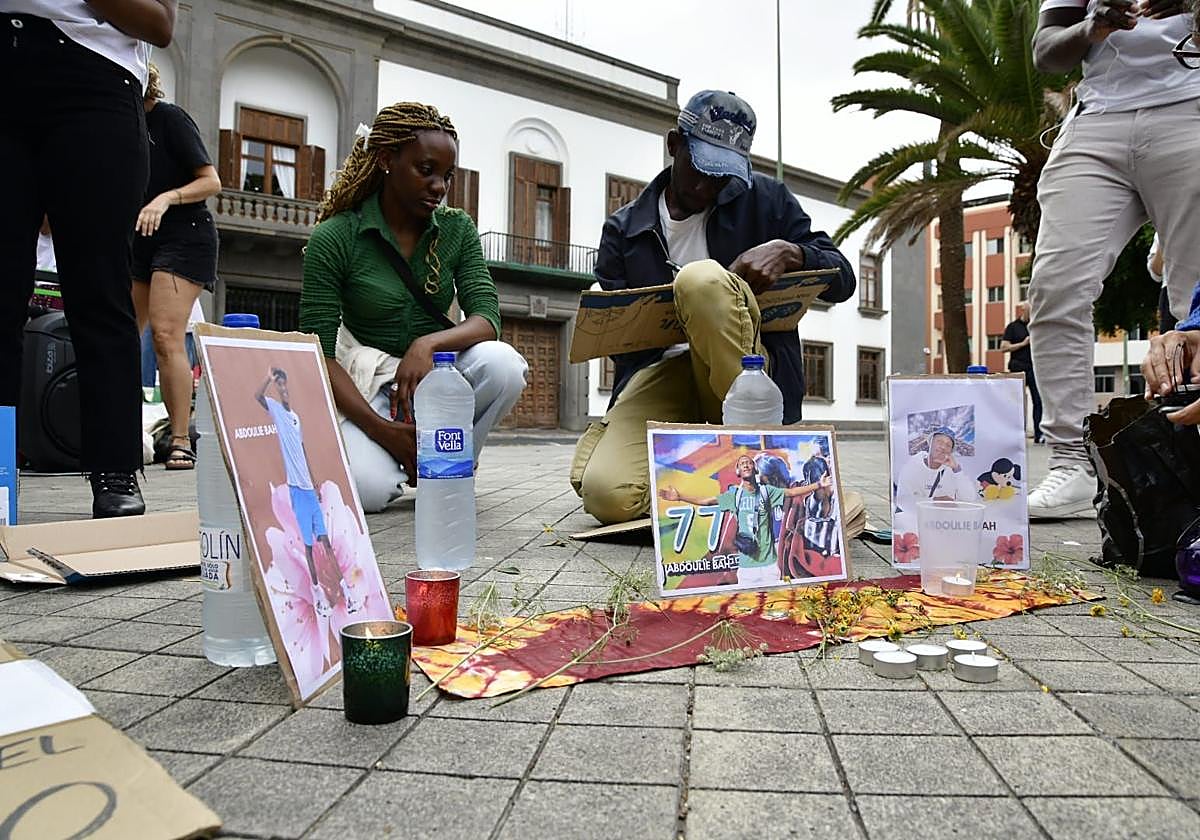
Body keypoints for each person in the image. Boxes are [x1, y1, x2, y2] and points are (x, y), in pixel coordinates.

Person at [571, 90, 856, 525]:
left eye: (722, 176)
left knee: (701, 280)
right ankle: (725, 489)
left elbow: (845, 280)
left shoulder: (767, 200)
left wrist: (792, 252)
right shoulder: (624, 230)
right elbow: (623, 349)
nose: (707, 186)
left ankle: (763, 469)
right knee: (608, 496)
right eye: (700, 169)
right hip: (663, 375)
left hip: (747, 374)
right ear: (674, 145)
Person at [300, 102, 527, 513]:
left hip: (440, 373)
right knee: (364, 493)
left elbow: (487, 318)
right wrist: (385, 431)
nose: (439, 186)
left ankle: (449, 464)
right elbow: (317, 355)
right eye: (426, 170)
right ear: (387, 160)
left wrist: (427, 345)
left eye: (447, 176)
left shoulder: (457, 229)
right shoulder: (335, 238)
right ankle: (399, 454)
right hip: (371, 386)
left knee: (503, 365)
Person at [1, 1, 176, 517]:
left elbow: (160, 23)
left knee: (99, 289)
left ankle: (114, 469)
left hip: (92, 78)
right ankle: (0, 473)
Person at [1026, 0, 1200, 518]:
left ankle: (1188, 459)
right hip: (1097, 120)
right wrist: (1092, 25)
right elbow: (1046, 53)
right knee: (1055, 287)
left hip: (1190, 107)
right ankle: (1071, 463)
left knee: (1194, 298)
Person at [131, 63, 221, 469]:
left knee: (167, 336)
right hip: (138, 236)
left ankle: (181, 438)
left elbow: (211, 182)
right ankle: (117, 429)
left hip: (185, 235)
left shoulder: (169, 118)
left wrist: (165, 198)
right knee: (119, 337)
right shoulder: (117, 123)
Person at [256, 367, 360, 617]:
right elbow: (258, 397)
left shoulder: (294, 417)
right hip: (295, 491)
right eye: (278, 385)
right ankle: (317, 594)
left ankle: (347, 590)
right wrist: (267, 379)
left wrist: (314, 483)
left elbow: (302, 450)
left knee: (325, 542)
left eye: (284, 385)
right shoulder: (277, 411)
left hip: (308, 490)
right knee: (309, 546)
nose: (282, 389)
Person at [658, 452, 832, 588]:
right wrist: (680, 496)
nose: (762, 483)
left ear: (778, 479)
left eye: (768, 480)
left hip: (775, 566)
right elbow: (708, 502)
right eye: (743, 466)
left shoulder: (780, 496)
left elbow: (800, 496)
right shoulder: (738, 496)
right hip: (748, 566)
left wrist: (819, 485)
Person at [895, 428, 976, 513]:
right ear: (930, 443)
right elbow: (903, 501)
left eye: (948, 445)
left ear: (951, 451)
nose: (943, 447)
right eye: (939, 442)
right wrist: (934, 502)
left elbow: (969, 498)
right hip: (916, 521)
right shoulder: (911, 467)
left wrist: (956, 469)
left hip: (945, 521)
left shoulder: (953, 470)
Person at [1000, 303, 1044, 443]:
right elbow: (1003, 348)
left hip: (1035, 368)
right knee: (1016, 402)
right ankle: (1015, 435)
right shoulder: (1013, 327)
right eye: (1030, 311)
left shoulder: (1037, 327)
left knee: (1038, 401)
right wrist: (1023, 344)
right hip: (1018, 368)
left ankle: (1039, 435)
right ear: (1023, 310)